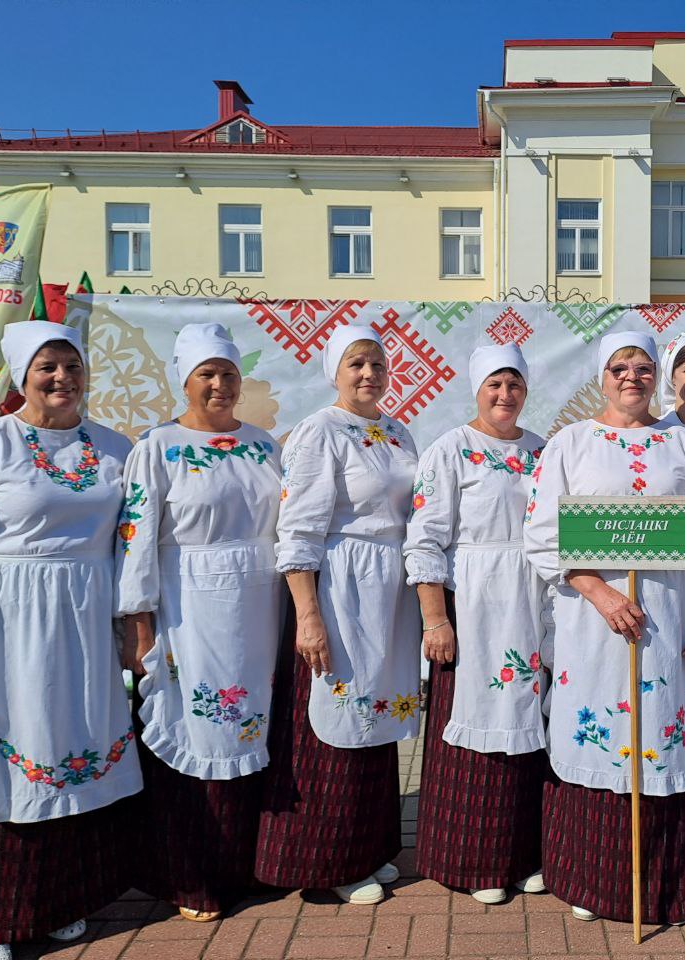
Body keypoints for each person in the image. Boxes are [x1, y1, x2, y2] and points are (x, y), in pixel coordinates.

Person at [0, 321, 142, 960]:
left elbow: (130, 546)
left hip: (86, 620)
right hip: (8, 622)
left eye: (72, 365)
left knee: (74, 746)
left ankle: (59, 901)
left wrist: (130, 629)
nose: (63, 378)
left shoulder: (115, 448)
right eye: (48, 367)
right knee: (2, 746)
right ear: (22, 375)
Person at [523, 331, 685, 925]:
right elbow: (542, 534)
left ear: (657, 376)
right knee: (599, 726)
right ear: (602, 376)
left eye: (643, 367)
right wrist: (600, 592)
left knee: (663, 727)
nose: (632, 377)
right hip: (594, 625)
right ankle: (594, 880)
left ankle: (667, 887)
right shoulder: (570, 444)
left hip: (669, 619)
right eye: (620, 367)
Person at [116, 323, 282, 921]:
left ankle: (244, 865)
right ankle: (190, 875)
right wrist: (140, 628)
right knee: (199, 726)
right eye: (206, 374)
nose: (219, 385)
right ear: (183, 381)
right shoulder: (157, 447)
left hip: (261, 607)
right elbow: (136, 542)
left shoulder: (263, 444)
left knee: (252, 727)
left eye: (228, 374)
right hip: (190, 606)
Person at [256, 325, 421, 906]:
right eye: (356, 363)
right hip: (341, 586)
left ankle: (368, 848)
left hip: (388, 593)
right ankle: (328, 861)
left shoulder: (396, 431)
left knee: (376, 722)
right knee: (335, 720)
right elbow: (298, 530)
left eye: (377, 363)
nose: (369, 374)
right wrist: (308, 614)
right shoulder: (319, 431)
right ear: (335, 371)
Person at [406, 344, 549, 904]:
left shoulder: (542, 450)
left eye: (514, 384)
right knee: (475, 729)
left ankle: (523, 854)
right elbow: (424, 539)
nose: (505, 395)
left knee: (531, 722)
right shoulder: (451, 449)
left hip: (531, 599)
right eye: (495, 384)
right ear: (476, 388)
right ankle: (475, 861)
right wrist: (435, 618)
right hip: (474, 603)